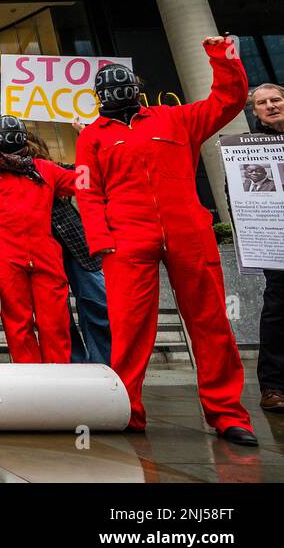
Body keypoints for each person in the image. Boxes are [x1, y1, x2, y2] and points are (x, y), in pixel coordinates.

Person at [76, 39, 257, 445]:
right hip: (126, 238)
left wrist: (222, 55)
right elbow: (87, 191)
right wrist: (100, 240)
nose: (114, 88)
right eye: (105, 85)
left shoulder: (176, 118)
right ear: (96, 96)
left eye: (121, 82)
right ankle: (127, 409)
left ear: (137, 87)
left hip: (188, 231)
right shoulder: (92, 136)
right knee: (128, 327)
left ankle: (228, 414)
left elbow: (228, 100)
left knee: (210, 322)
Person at [0, 116, 77, 364]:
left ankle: (60, 379)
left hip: (42, 251)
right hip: (5, 254)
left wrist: (89, 140)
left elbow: (85, 182)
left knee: (55, 322)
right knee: (18, 325)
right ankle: (31, 382)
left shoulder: (45, 169)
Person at [25, 133, 111, 365]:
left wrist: (86, 137)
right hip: (42, 251)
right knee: (58, 316)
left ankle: (101, 364)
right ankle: (79, 365)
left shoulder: (56, 170)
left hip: (76, 247)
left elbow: (88, 176)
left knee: (96, 305)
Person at [248, 82, 284, 412]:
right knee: (277, 309)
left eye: (275, 99)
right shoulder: (248, 147)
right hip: (277, 239)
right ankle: (273, 386)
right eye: (263, 103)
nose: (270, 106)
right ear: (255, 111)